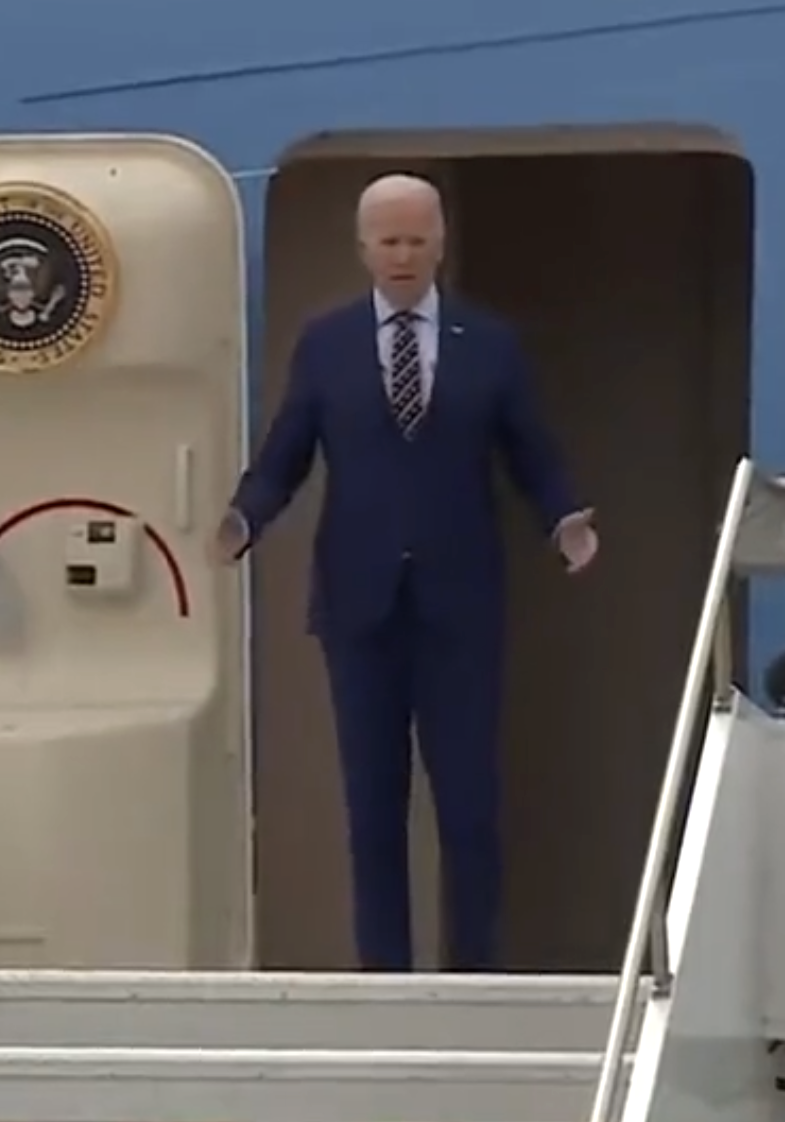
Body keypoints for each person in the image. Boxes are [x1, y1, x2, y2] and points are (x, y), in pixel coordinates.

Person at [216, 173, 597, 972]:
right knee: (373, 808)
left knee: (468, 805)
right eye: (388, 241)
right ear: (363, 248)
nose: (402, 255)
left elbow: (533, 452)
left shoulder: (488, 343)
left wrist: (565, 520)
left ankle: (475, 973)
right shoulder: (327, 343)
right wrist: (244, 518)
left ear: (440, 244)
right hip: (359, 606)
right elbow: (286, 454)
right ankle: (383, 978)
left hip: (459, 606)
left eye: (417, 240)